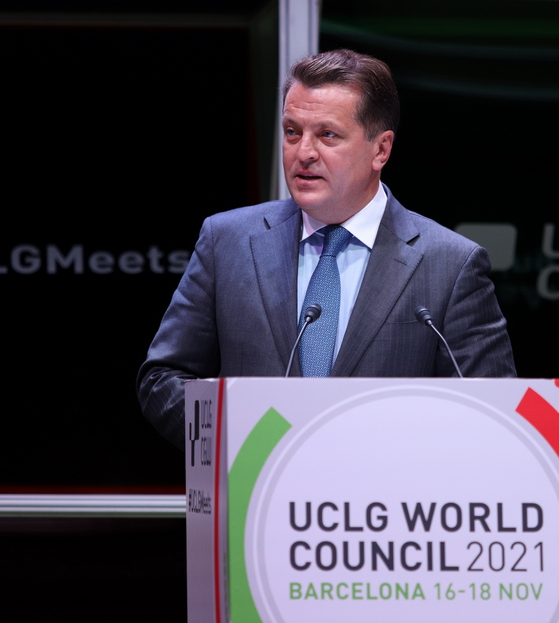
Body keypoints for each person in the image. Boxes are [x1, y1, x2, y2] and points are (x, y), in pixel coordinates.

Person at [137, 49, 516, 450]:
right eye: (292, 132)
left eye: (327, 135)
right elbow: (163, 379)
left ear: (381, 149)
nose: (304, 152)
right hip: (253, 483)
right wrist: (246, 443)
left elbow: (490, 414)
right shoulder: (227, 241)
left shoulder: (450, 264)